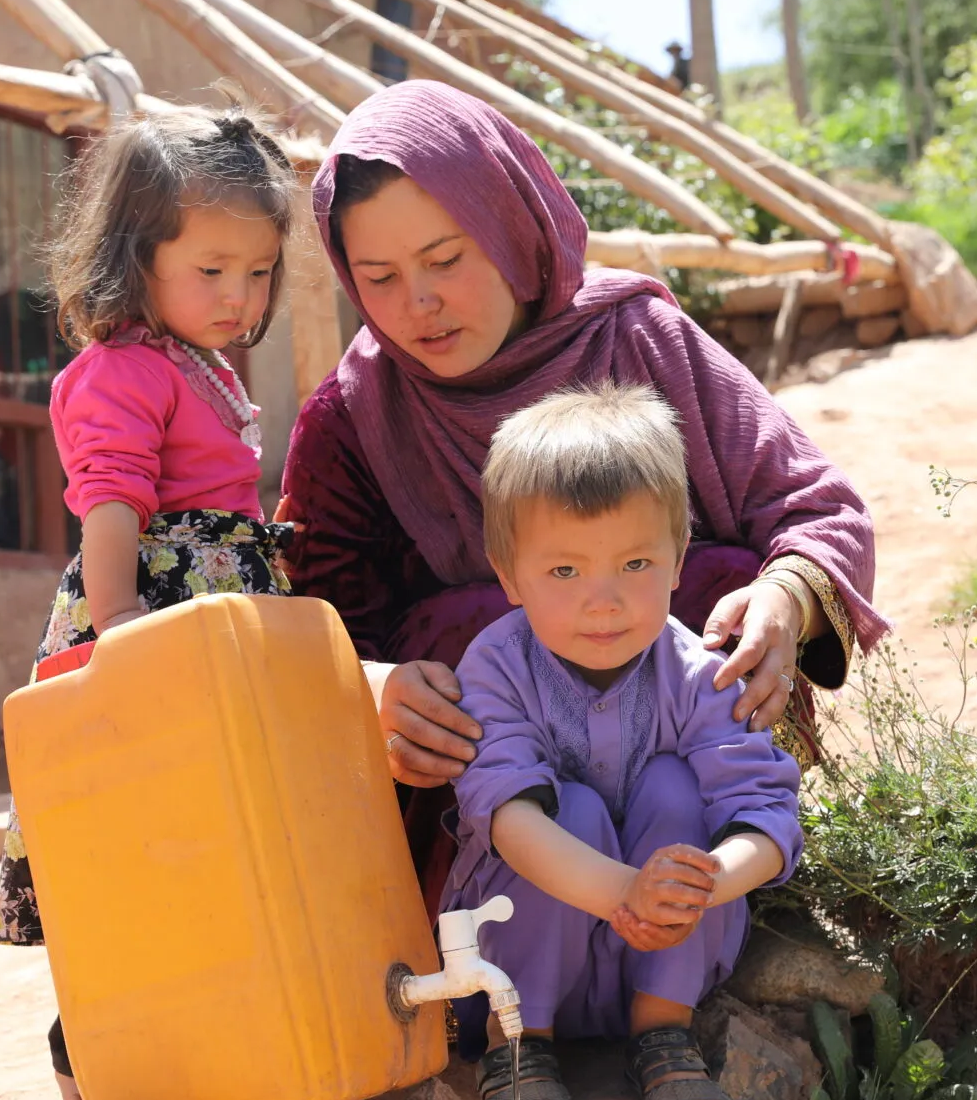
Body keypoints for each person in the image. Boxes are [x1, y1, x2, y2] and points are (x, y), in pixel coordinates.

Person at [278, 80, 884, 915]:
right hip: (493, 842)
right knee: (467, 640)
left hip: (698, 797)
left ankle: (748, 911)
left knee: (724, 580)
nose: (417, 304)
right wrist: (375, 689)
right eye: (378, 277)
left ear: (507, 221)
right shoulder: (353, 418)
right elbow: (303, 634)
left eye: (446, 259)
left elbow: (817, 509)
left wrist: (785, 603)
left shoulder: (638, 340)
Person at [0, 102, 300, 1100]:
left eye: (256, 273)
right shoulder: (122, 370)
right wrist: (119, 625)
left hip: (209, 634)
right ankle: (99, 1063)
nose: (238, 295)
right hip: (153, 631)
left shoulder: (196, 364)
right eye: (211, 269)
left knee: (211, 847)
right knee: (134, 850)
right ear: (138, 255)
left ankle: (204, 1059)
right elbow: (109, 505)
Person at [447, 383, 801, 1100]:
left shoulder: (695, 670)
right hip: (523, 961)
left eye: (635, 562)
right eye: (564, 573)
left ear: (678, 560)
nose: (603, 603)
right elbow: (506, 819)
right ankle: (521, 1041)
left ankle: (662, 1032)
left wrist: (694, 884)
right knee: (561, 808)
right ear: (508, 576)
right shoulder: (496, 670)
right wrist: (623, 894)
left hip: (662, 947)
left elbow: (767, 813)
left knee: (676, 788)